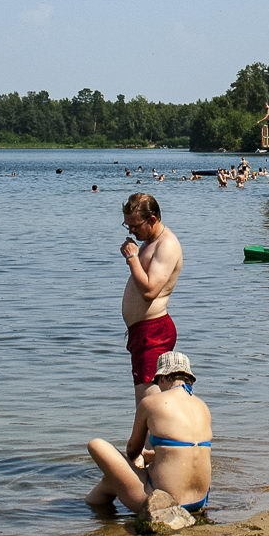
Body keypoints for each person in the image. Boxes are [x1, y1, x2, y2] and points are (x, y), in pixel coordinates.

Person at [86, 351, 212, 516]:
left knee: (96, 444)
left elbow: (132, 449)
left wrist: (138, 461)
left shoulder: (151, 403)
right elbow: (185, 451)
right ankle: (97, 511)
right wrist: (151, 456)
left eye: (157, 382)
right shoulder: (202, 406)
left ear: (163, 378)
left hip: (161, 503)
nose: (158, 387)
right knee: (110, 481)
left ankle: (88, 513)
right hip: (199, 501)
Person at [121, 192, 184, 400]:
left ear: (152, 219)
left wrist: (132, 258)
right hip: (142, 332)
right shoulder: (150, 241)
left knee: (148, 403)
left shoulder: (166, 245)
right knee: (149, 403)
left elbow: (150, 291)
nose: (131, 231)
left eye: (135, 226)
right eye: (127, 226)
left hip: (153, 332)